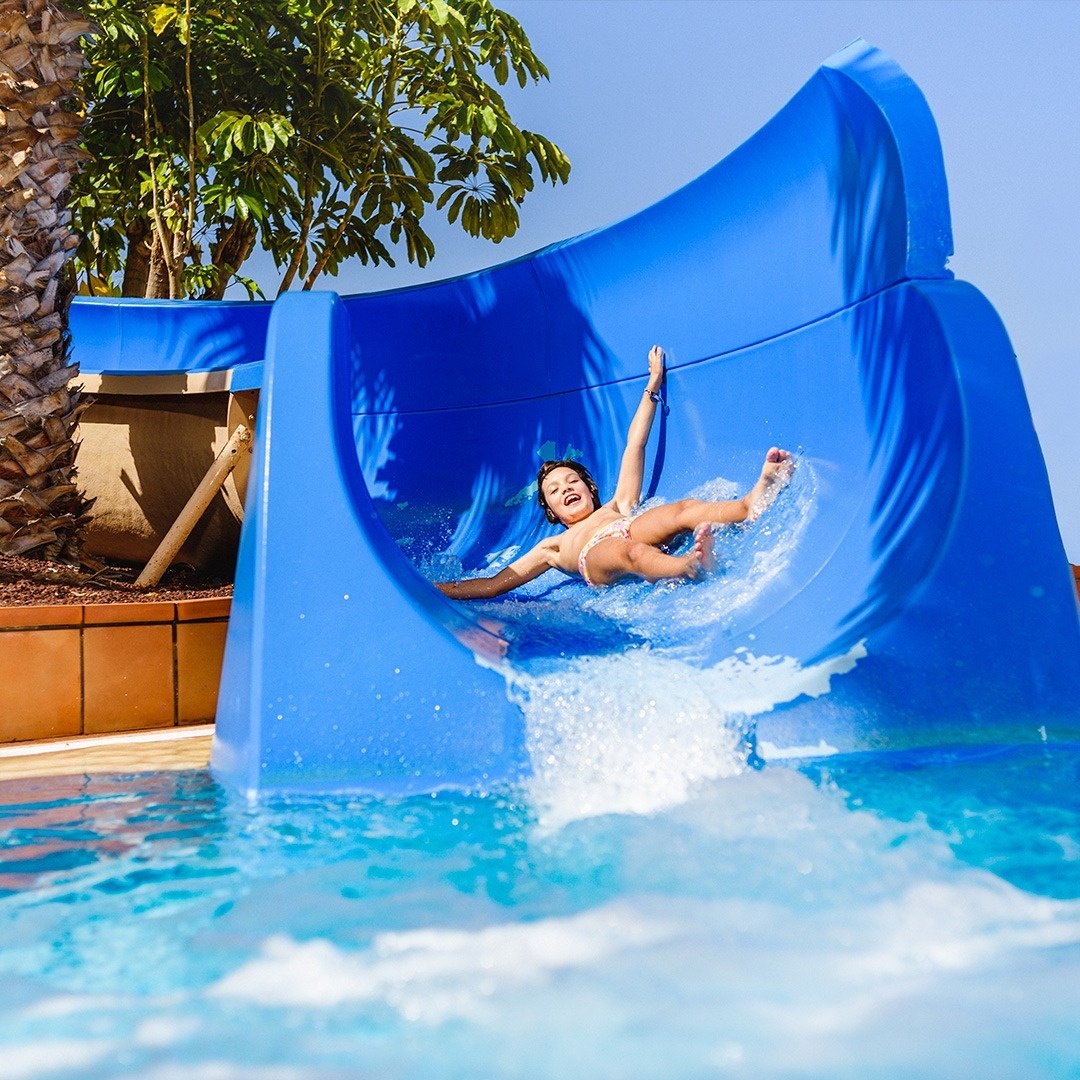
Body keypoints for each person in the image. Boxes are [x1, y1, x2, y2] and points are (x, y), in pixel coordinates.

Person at [436, 346, 793, 600]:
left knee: (682, 510)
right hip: (596, 556)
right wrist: (437, 592)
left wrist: (652, 384)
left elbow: (634, 445)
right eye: (554, 491)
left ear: (591, 489)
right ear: (552, 512)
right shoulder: (552, 547)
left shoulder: (619, 505)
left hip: (624, 527)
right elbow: (497, 583)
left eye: (572, 481)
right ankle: (687, 567)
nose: (566, 489)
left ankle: (747, 504)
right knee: (631, 553)